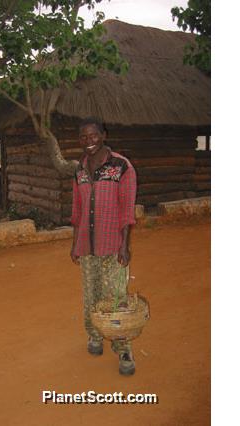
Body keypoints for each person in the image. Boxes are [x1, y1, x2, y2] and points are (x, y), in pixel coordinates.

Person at [70, 117, 138, 376]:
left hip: (113, 244)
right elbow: (76, 209)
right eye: (83, 137)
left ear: (104, 135)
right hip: (86, 245)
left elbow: (127, 209)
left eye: (93, 135)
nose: (89, 141)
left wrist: (125, 245)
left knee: (117, 297)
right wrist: (74, 243)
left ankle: (123, 347)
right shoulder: (80, 169)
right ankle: (95, 335)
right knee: (91, 296)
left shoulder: (122, 166)